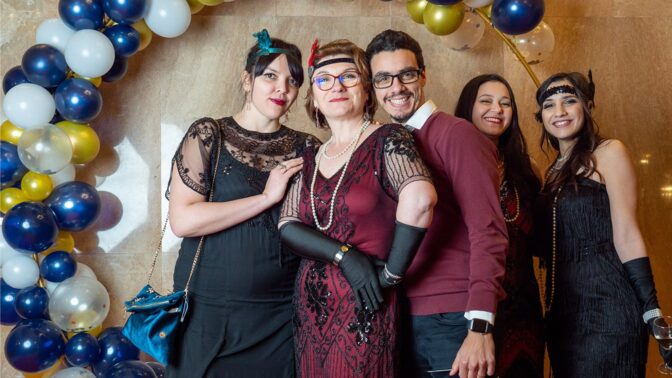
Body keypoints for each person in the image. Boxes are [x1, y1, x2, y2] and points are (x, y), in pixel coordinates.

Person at [279, 39, 437, 377]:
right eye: (324, 80)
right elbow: (288, 225)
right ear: (315, 99)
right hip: (310, 313)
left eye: (348, 76)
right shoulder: (311, 156)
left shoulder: (389, 139)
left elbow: (421, 199)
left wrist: (392, 274)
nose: (336, 86)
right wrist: (345, 256)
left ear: (366, 91)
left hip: (367, 306)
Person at [166, 30, 319, 378]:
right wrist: (267, 198)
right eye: (271, 76)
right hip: (207, 311)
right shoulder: (209, 135)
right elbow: (184, 221)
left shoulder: (307, 147)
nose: (283, 88)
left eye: (293, 81)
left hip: (280, 317)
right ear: (247, 79)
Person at [366, 30, 508, 378]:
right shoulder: (386, 142)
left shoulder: (456, 134)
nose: (396, 87)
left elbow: (488, 229)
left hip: (454, 318)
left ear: (424, 75)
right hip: (403, 313)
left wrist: (480, 325)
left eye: (407, 74)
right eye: (383, 78)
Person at [534, 71, 668, 377]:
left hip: (608, 311)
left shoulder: (608, 153)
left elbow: (627, 234)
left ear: (587, 106)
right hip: (562, 317)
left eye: (570, 101)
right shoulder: (551, 172)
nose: (560, 112)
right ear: (541, 116)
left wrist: (652, 311)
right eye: (549, 105)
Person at [454, 74, 543, 378]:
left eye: (506, 103)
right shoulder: (449, 162)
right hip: (471, 307)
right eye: (486, 101)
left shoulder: (526, 171)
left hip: (524, 311)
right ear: (468, 106)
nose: (497, 109)